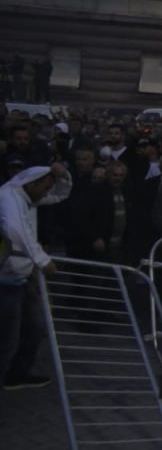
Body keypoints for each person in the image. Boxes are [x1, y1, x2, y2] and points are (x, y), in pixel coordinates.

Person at [0, 163, 71, 389]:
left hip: (22, 276)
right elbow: (15, 230)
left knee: (35, 327)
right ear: (32, 183)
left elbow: (61, 195)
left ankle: (17, 374)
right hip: (5, 279)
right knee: (7, 339)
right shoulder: (9, 197)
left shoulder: (27, 197)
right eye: (45, 187)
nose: (47, 192)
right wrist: (42, 260)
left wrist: (64, 176)